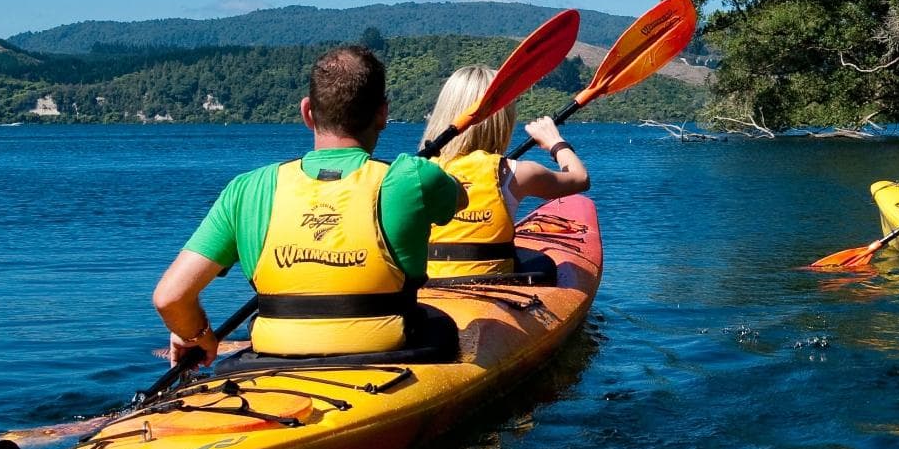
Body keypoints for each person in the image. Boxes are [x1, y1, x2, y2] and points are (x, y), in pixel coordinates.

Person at [152, 44, 462, 364]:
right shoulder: (412, 176)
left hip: (273, 359)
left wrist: (196, 334)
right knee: (441, 326)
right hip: (388, 355)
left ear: (307, 112)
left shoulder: (247, 188)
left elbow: (170, 297)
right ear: (383, 114)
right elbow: (458, 199)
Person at [422, 64, 590, 281]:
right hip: (492, 280)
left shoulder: (419, 170)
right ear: (502, 120)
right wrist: (555, 142)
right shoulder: (516, 172)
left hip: (430, 282)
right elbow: (580, 178)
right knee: (544, 265)